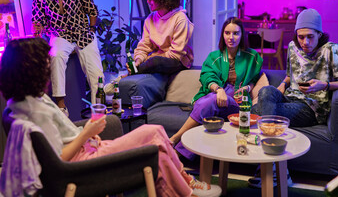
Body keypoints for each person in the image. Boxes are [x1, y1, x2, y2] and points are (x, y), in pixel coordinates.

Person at [0, 38, 222, 197]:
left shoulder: (21, 103)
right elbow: (60, 157)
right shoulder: (35, 110)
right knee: (154, 132)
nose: (49, 65)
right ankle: (188, 187)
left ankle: (187, 187)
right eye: (45, 62)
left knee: (159, 149)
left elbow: (60, 138)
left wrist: (84, 134)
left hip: (85, 150)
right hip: (81, 164)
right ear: (31, 69)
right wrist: (87, 133)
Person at [249, 8, 338, 188]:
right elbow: (288, 76)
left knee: (256, 112)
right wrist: (277, 89)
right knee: (265, 92)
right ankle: (278, 168)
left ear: (319, 34)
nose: (305, 42)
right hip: (289, 99)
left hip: (311, 108)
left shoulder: (331, 50)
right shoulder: (293, 47)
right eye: (301, 37)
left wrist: (326, 85)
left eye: (310, 37)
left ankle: (268, 167)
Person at [170, 17, 263, 160]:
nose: (231, 37)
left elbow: (256, 78)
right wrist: (219, 90)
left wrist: (248, 88)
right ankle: (182, 153)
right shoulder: (215, 56)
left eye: (236, 33)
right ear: (222, 35)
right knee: (210, 105)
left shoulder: (252, 56)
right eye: (227, 33)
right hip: (217, 93)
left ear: (242, 34)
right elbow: (207, 76)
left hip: (237, 103)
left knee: (209, 102)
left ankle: (176, 138)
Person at [31, 0, 104, 115]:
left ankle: (97, 112)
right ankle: (61, 107)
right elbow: (39, 21)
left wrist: (91, 29)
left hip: (83, 33)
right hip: (60, 34)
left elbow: (92, 10)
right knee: (56, 56)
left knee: (97, 74)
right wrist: (38, 29)